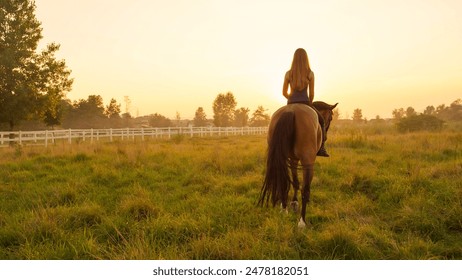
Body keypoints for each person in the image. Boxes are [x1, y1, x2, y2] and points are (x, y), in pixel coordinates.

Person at [282, 48, 329, 157]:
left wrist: (291, 99)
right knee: (321, 122)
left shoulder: (288, 74)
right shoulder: (310, 73)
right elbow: (312, 94)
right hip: (305, 102)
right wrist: (309, 103)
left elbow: (284, 92)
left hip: (290, 103)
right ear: (306, 59)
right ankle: (321, 148)